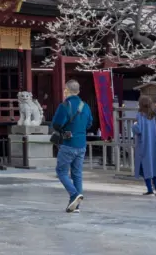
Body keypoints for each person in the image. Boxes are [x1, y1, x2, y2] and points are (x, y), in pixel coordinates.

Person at [51, 78, 93, 213]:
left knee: (61, 171)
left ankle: (74, 194)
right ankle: (76, 206)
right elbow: (89, 124)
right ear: (78, 91)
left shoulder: (64, 105)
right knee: (77, 174)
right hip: (82, 143)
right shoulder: (85, 106)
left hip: (68, 143)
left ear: (66, 90)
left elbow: (56, 124)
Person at [133, 95, 156, 195]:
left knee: (145, 167)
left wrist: (134, 125)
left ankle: (150, 189)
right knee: (154, 166)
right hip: (154, 144)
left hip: (143, 144)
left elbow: (138, 129)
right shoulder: (153, 115)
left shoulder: (140, 115)